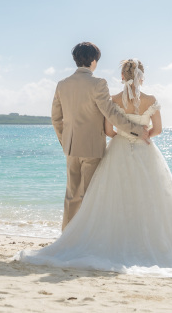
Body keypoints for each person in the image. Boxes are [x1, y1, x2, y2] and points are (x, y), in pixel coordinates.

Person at [16, 59, 172, 279]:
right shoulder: (151, 100)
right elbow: (157, 130)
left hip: (114, 149)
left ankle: (75, 238)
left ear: (122, 76)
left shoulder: (112, 98)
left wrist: (121, 135)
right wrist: (142, 134)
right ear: (142, 77)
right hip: (146, 151)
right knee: (150, 198)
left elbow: (108, 130)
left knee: (102, 198)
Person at [50, 42, 150, 230]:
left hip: (71, 148)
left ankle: (67, 236)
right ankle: (86, 236)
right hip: (92, 148)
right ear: (94, 61)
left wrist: (65, 141)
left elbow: (56, 118)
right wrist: (136, 129)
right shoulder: (98, 84)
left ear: (76, 59)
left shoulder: (62, 84)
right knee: (90, 195)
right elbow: (111, 114)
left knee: (71, 196)